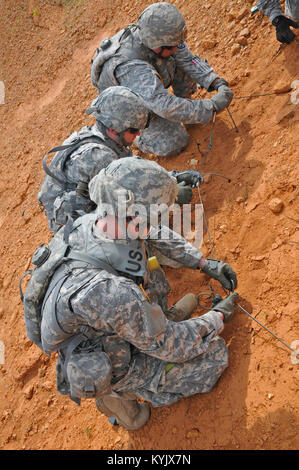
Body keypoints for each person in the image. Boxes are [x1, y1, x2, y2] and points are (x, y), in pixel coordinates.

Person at [37, 156, 238, 430]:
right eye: (154, 214)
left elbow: (153, 233)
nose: (158, 220)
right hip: (106, 355)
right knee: (214, 356)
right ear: (133, 216)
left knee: (147, 268)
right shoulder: (111, 294)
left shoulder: (97, 220)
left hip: (108, 319)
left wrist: (203, 263)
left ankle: (154, 322)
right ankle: (116, 396)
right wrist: (217, 317)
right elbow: (172, 346)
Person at [38, 86, 203, 233]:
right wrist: (171, 198)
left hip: (85, 200)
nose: (138, 134)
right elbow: (130, 197)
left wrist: (173, 177)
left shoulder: (106, 139)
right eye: (133, 130)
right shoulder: (99, 157)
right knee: (137, 228)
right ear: (113, 128)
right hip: (75, 226)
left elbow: (134, 173)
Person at [91, 2, 233, 157]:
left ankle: (186, 110)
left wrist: (214, 81)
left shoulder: (161, 39)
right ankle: (139, 136)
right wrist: (209, 107)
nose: (177, 48)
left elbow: (189, 59)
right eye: (172, 46)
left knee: (176, 62)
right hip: (128, 109)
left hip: (148, 89)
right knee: (174, 142)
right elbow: (163, 105)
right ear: (156, 44)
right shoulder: (131, 67)